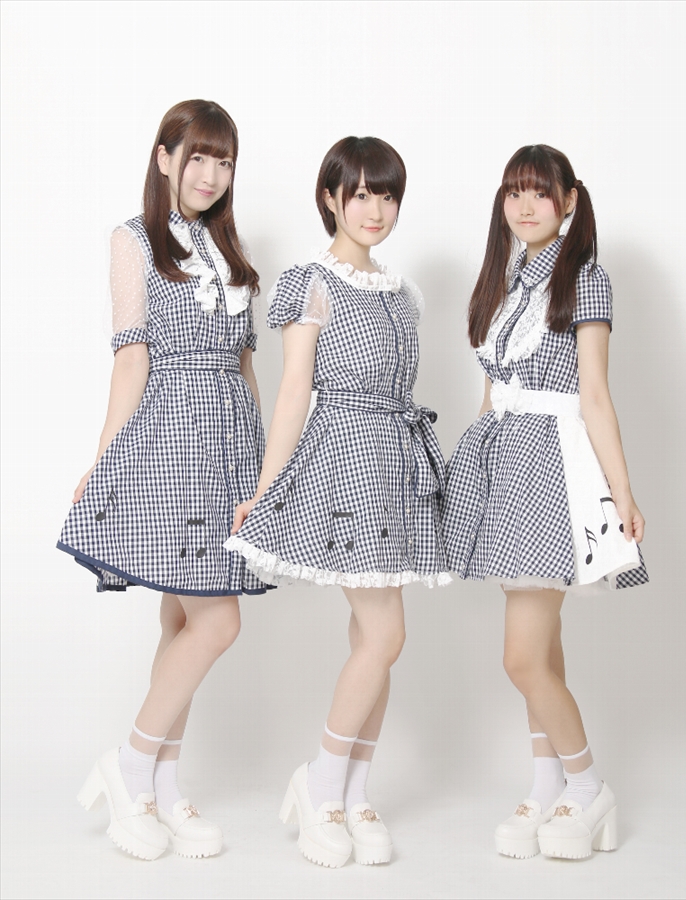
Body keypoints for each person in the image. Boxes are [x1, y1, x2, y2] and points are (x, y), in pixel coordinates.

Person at [225, 136, 450, 867]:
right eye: (359, 194)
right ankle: (320, 784)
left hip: (395, 465)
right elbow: (294, 390)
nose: (374, 209)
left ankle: (353, 793)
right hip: (343, 461)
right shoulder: (311, 282)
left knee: (372, 641)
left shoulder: (404, 292)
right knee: (387, 636)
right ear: (331, 198)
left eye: (386, 195)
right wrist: (266, 487)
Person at [58, 99, 268, 860]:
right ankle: (130, 765)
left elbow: (246, 367)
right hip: (170, 439)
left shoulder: (232, 252)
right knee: (219, 621)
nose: (210, 175)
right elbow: (131, 358)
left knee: (184, 620)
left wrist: (263, 469)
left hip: (230, 445)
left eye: (224, 161)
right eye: (197, 157)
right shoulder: (134, 239)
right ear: (164, 157)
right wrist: (103, 458)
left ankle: (159, 788)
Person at [443, 144, 648, 860]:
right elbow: (493, 392)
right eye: (513, 192)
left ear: (569, 200)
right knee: (544, 651)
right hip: (504, 465)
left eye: (539, 192)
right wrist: (474, 477)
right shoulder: (507, 280)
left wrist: (623, 493)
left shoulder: (585, 277)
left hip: (553, 472)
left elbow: (594, 396)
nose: (525, 206)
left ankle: (588, 787)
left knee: (521, 657)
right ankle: (547, 784)